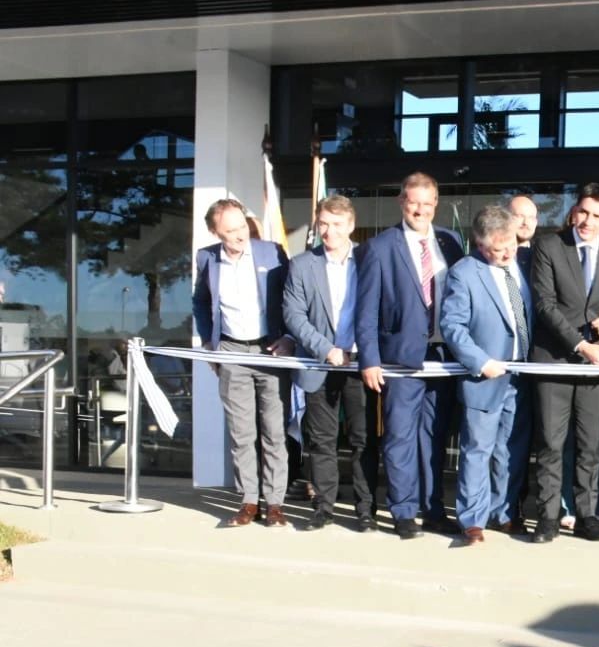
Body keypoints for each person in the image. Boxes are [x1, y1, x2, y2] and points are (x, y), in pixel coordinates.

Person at [356, 171, 465, 539]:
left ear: (436, 204)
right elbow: (366, 310)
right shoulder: (379, 248)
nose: (420, 210)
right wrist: (369, 359)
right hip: (399, 358)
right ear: (402, 202)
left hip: (443, 355)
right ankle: (402, 511)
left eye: (427, 203)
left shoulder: (451, 242)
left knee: (434, 437)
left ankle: (432, 509)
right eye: (413, 202)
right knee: (400, 437)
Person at [528, 182, 599, 542]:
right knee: (551, 444)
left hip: (596, 364)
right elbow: (544, 305)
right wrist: (581, 345)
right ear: (574, 211)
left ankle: (588, 516)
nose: (588, 221)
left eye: (597, 215)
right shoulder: (549, 246)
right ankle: (548, 517)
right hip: (555, 359)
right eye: (583, 212)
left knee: (590, 444)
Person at [192, 197, 292, 528]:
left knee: (274, 432)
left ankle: (275, 504)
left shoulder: (272, 252)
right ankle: (249, 500)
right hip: (232, 352)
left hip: (270, 351)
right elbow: (200, 302)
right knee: (241, 433)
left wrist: (288, 337)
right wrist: (209, 342)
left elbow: (292, 298)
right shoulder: (206, 258)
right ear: (215, 232)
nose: (239, 234)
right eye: (230, 231)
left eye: (242, 227)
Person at [438, 204, 534, 545]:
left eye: (510, 244)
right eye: (498, 249)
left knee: (511, 449)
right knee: (478, 449)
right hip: (485, 375)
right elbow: (453, 326)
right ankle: (473, 520)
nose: (507, 253)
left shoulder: (524, 263)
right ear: (480, 245)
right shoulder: (464, 273)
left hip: (521, 373)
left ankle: (504, 513)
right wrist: (480, 362)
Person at [281, 194, 377, 533]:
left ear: (351, 225)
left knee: (363, 441)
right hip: (319, 364)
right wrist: (326, 349)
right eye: (323, 223)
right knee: (322, 441)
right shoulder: (301, 265)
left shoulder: (370, 260)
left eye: (336, 224)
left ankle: (365, 509)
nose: (328, 231)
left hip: (361, 364)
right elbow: (293, 315)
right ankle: (323, 507)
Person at [497, 193, 540, 534]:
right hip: (496, 365)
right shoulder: (491, 256)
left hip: (534, 366)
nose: (525, 222)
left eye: (531, 217)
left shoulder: (543, 258)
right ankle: (495, 508)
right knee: (494, 444)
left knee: (520, 444)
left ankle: (514, 506)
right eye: (518, 215)